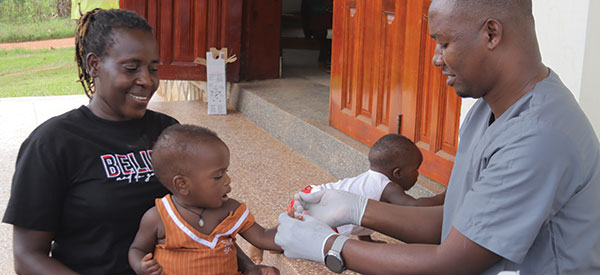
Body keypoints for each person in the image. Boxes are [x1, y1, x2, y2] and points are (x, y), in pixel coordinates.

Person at [274, 0, 600, 274]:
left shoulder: (537, 138)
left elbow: (453, 262)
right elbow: (459, 222)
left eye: (444, 43)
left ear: (491, 33)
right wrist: (355, 208)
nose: (435, 58)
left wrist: (329, 246)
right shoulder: (487, 110)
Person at [2, 8, 278, 275]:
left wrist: (246, 266)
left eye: (153, 68)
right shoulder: (53, 143)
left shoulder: (168, 133)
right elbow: (28, 257)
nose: (146, 80)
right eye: (131, 68)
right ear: (94, 65)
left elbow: (203, 219)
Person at [248, 133, 445, 264]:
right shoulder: (389, 187)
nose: (418, 176)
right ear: (398, 173)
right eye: (415, 171)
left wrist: (366, 240)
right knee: (297, 234)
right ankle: (261, 241)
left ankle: (272, 239)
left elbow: (364, 213)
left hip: (314, 196)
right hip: (321, 205)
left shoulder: (372, 180)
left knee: (294, 227)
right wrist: (445, 196)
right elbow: (415, 207)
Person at [129, 124, 283, 275]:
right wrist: (140, 266)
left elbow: (262, 237)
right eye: (218, 176)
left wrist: (292, 225)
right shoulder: (159, 217)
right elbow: (138, 249)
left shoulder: (230, 211)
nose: (227, 180)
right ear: (182, 184)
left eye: (226, 172)